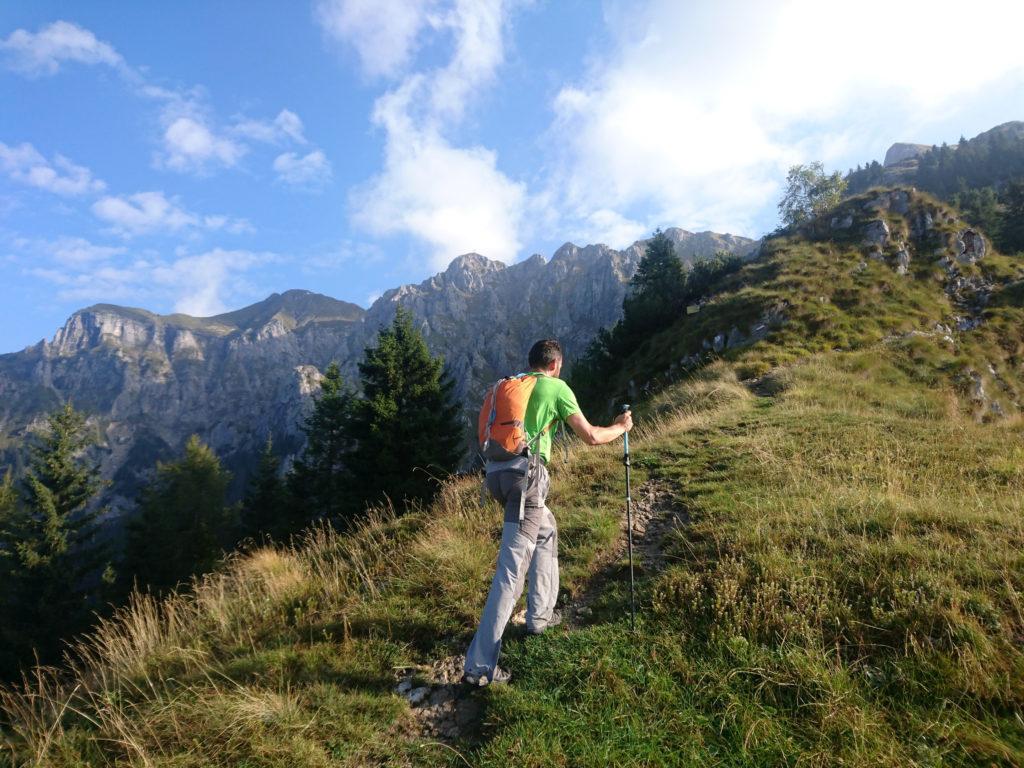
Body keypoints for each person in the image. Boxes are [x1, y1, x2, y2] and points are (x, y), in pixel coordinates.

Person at [462, 339, 633, 686]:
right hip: (527, 480)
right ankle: (478, 669)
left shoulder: (512, 385)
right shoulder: (556, 387)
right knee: (510, 571)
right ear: (556, 364)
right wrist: (621, 427)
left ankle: (539, 616)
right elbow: (591, 437)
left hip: (496, 476)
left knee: (546, 529)